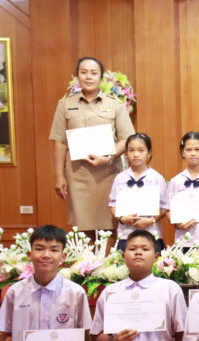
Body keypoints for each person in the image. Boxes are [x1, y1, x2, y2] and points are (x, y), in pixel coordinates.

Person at [50, 57, 135, 234]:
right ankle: (87, 262)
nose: (89, 77)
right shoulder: (65, 105)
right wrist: (59, 175)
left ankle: (107, 261)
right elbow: (59, 141)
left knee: (110, 226)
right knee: (82, 228)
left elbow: (127, 138)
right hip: (78, 174)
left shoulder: (115, 105)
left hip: (109, 174)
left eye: (94, 73)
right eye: (84, 72)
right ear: (77, 76)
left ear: (101, 78)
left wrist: (109, 157)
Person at [109, 133, 168, 252]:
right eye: (131, 150)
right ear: (126, 153)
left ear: (149, 153)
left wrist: (151, 220)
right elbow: (112, 205)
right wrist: (122, 218)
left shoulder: (157, 178)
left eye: (141, 150)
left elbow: (164, 207)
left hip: (151, 233)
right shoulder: (120, 178)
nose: (136, 154)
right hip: (125, 235)